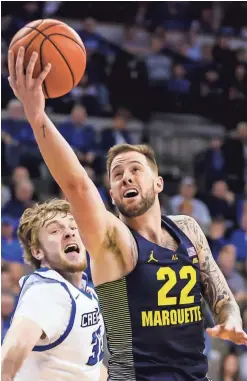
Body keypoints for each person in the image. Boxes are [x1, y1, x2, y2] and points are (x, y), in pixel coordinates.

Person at [7, 46, 247, 381]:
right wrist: (37, 116)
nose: (126, 177)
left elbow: (220, 296)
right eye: (117, 175)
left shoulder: (188, 229)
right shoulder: (115, 241)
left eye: (135, 169)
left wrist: (232, 317)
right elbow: (77, 185)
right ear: (112, 193)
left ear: (158, 183)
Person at [1, 199, 104, 381]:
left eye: (73, 227)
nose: (69, 234)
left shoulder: (86, 291)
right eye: (55, 231)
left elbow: (90, 367)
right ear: (38, 252)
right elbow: (6, 364)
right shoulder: (47, 291)